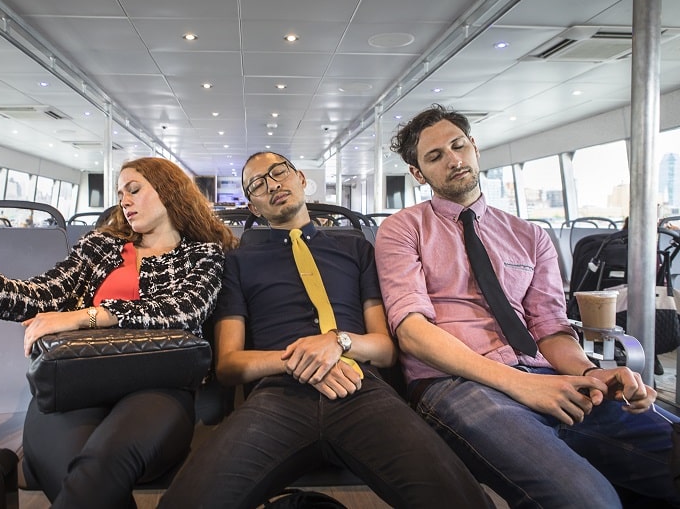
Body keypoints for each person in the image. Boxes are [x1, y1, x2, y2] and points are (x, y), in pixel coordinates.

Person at [374, 104, 680, 508]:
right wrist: (521, 384)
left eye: (458, 146)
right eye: (435, 156)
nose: (454, 160)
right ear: (418, 173)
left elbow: (550, 328)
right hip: (456, 383)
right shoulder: (403, 229)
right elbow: (412, 331)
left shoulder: (529, 235)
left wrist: (591, 372)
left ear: (474, 147)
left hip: (548, 373)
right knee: (589, 500)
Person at [158, 151, 492, 509]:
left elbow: (385, 348)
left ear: (301, 178)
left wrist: (337, 343)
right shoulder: (238, 262)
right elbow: (229, 366)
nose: (272, 184)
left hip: (361, 388)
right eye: (257, 184)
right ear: (253, 207)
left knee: (461, 498)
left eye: (278, 172)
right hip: (277, 397)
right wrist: (299, 360)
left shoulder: (356, 248)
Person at [0, 157, 239, 509]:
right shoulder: (100, 246)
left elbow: (184, 310)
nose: (124, 201)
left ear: (170, 191)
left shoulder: (202, 253)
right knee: (70, 469)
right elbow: (42, 293)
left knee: (101, 463)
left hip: (156, 384)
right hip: (77, 377)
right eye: (120, 194)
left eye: (134, 189)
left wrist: (82, 317)